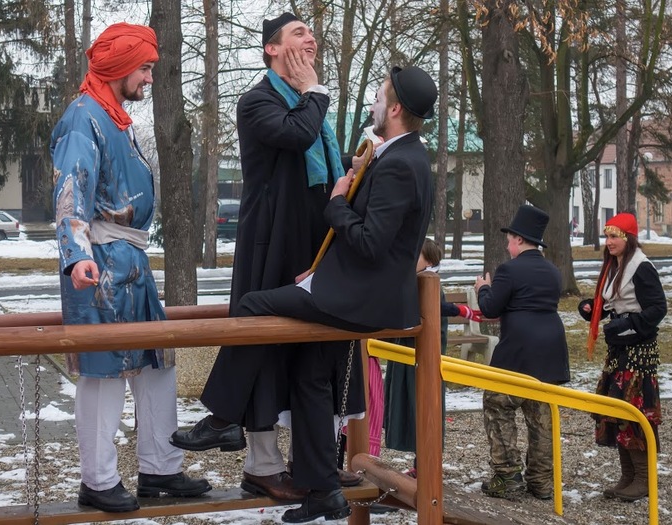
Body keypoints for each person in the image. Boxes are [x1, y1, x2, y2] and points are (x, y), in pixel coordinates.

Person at [169, 12, 361, 502]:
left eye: (311, 32)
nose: (311, 38)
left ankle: (317, 461)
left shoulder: (309, 105)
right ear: (271, 49)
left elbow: (317, 163)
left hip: (315, 240)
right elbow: (295, 136)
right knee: (267, 350)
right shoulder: (257, 101)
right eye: (299, 33)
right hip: (272, 243)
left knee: (318, 354)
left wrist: (353, 169)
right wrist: (315, 92)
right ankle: (262, 466)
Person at [233, 64, 436, 523]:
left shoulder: (400, 164)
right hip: (353, 290)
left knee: (251, 305)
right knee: (309, 372)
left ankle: (225, 416)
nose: (373, 105)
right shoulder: (401, 155)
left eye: (379, 98)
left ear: (396, 109)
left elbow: (370, 242)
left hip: (358, 300)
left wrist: (336, 204)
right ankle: (321, 486)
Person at [51, 23, 210, 513]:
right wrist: (76, 254)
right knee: (103, 372)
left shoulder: (115, 118)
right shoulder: (84, 117)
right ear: (119, 67)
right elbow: (71, 187)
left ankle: (160, 467)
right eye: (143, 68)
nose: (149, 78)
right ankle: (97, 480)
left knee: (156, 364)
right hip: (99, 262)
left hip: (131, 261)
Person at [475, 204, 570, 500]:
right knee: (541, 417)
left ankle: (507, 476)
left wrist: (483, 288)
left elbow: (491, 308)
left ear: (518, 239)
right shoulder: (553, 271)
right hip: (551, 349)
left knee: (497, 405)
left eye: (509, 240)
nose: (507, 245)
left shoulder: (509, 270)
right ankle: (541, 481)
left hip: (518, 349)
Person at [578, 212, 666, 501]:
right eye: (607, 236)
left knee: (633, 413)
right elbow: (613, 303)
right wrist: (592, 308)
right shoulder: (614, 266)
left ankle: (643, 479)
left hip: (638, 353)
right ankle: (628, 476)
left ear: (628, 239)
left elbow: (658, 308)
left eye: (614, 236)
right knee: (616, 412)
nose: (609, 241)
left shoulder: (641, 267)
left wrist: (629, 323)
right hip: (620, 350)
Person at [383, 238, 481, 477]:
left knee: (424, 406)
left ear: (428, 260)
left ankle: (426, 464)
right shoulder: (413, 281)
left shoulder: (429, 282)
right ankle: (421, 463)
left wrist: (461, 310)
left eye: (416, 255)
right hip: (407, 353)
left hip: (423, 355)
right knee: (410, 405)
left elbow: (435, 308)